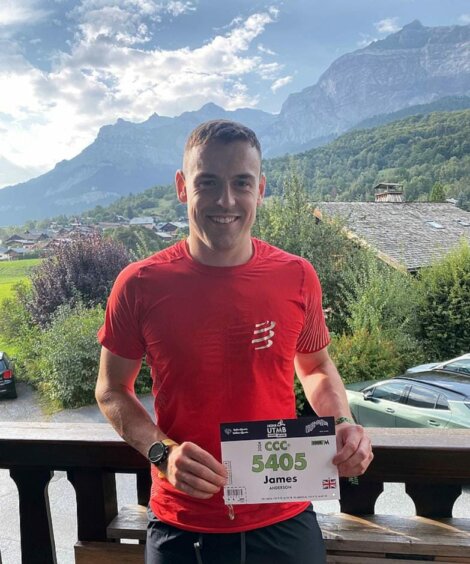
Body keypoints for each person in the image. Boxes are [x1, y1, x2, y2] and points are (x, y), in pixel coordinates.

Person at [95, 119, 373, 564]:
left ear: (260, 189)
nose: (226, 200)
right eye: (208, 182)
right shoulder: (139, 284)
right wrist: (161, 452)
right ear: (183, 187)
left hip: (284, 514)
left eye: (241, 183)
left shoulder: (297, 275)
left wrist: (341, 423)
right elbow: (110, 390)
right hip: (182, 525)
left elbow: (316, 367)